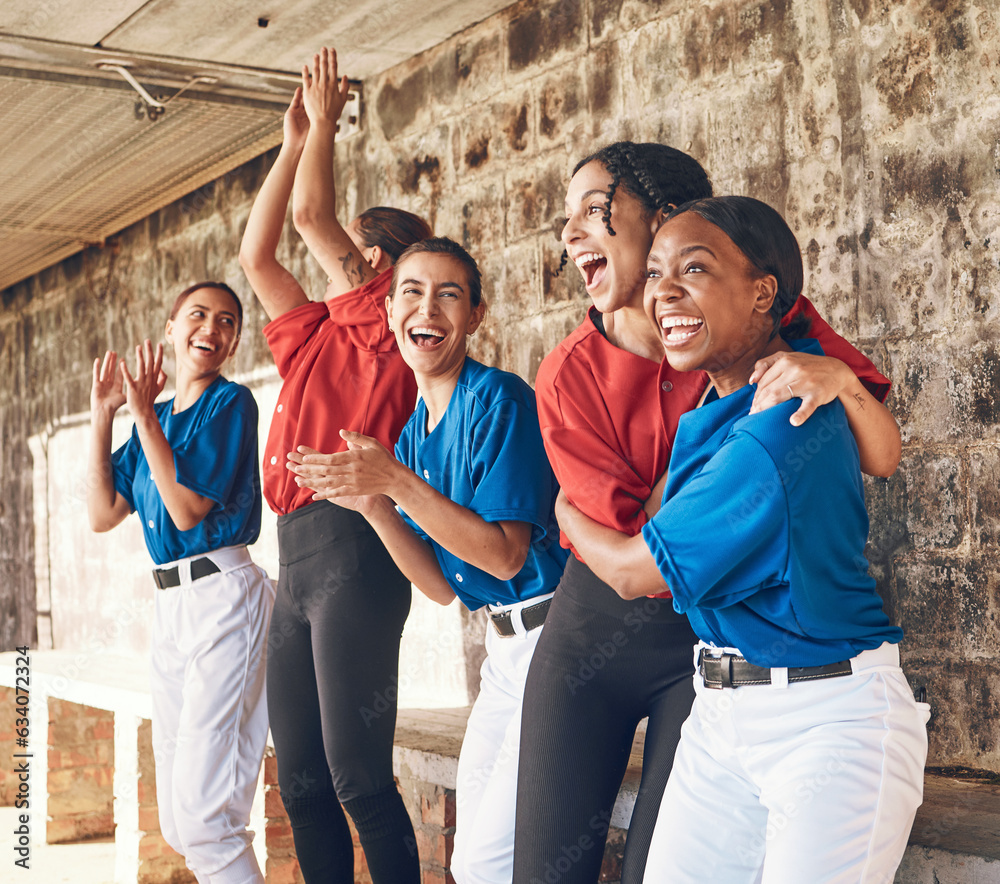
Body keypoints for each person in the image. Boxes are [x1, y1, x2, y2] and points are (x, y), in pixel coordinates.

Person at [514, 143, 903, 884]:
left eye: (594, 211)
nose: (570, 235)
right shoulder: (576, 370)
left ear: (662, 221)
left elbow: (879, 453)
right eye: (565, 220)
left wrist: (840, 380)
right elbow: (634, 546)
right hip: (598, 629)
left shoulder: (753, 329)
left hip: (703, 642)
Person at [286, 237, 569, 884]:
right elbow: (442, 588)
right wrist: (375, 506)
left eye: (450, 294)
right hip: (502, 652)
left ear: (475, 315)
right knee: (474, 860)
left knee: (491, 858)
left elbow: (503, 556)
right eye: (412, 291)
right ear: (389, 313)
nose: (429, 308)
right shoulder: (413, 434)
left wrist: (394, 480)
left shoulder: (498, 398)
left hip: (555, 637)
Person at [237, 47, 430, 884]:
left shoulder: (390, 322)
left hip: (355, 552)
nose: (332, 254)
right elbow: (258, 257)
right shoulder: (319, 332)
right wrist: (288, 145)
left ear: (377, 267)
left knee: (358, 780)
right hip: (296, 558)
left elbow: (313, 218)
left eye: (351, 249)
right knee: (305, 784)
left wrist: (325, 126)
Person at [88, 282, 274, 884]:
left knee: (203, 816)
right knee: (177, 817)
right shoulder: (157, 419)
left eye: (226, 321)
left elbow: (186, 509)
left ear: (234, 341)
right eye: (197, 315)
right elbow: (101, 513)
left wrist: (141, 414)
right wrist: (104, 414)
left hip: (225, 594)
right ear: (170, 329)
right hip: (171, 605)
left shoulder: (231, 404)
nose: (211, 328)